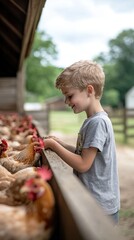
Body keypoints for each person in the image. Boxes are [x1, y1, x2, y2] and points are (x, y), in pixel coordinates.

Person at [44, 60, 120, 224]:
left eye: (69, 95)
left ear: (89, 90)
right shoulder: (93, 120)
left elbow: (83, 164)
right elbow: (84, 154)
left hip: (99, 206)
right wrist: (61, 143)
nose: (66, 101)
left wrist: (54, 146)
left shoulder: (97, 123)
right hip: (96, 202)